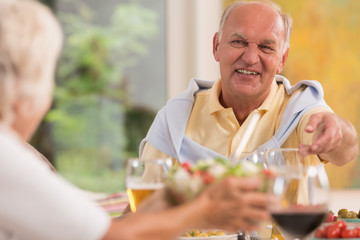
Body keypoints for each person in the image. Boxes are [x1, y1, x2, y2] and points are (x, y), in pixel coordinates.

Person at [0, 0, 271, 239]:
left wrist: (161, 205)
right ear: (22, 96)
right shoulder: (7, 159)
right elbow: (112, 238)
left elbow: (95, 230)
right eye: (49, 78)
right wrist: (202, 211)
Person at [140, 0, 358, 167]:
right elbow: (143, 206)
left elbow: (346, 151)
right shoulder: (175, 116)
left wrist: (337, 132)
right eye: (238, 42)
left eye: (266, 47)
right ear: (216, 46)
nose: (251, 58)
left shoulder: (301, 110)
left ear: (282, 59)